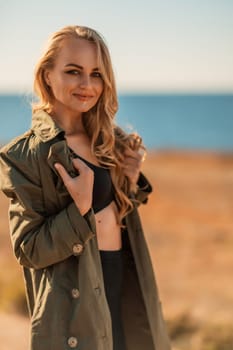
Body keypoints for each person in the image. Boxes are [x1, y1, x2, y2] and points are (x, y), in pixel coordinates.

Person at [0, 25, 171, 350]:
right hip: (74, 307)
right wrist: (78, 210)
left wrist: (128, 185)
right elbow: (29, 250)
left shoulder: (109, 140)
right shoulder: (25, 155)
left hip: (125, 285)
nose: (87, 85)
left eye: (96, 74)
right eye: (73, 71)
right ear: (47, 75)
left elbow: (114, 219)